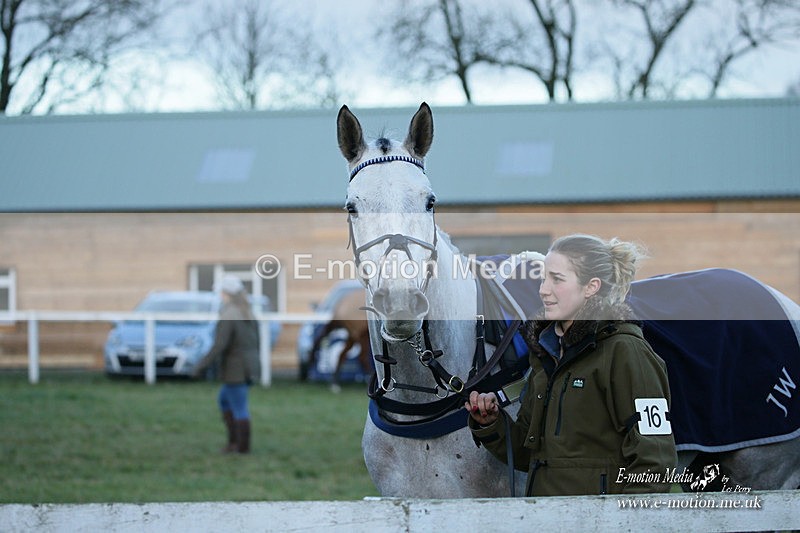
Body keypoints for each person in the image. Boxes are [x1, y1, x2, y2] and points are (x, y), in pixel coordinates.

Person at [466, 234, 677, 495]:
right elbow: (530, 456)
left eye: (557, 279)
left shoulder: (626, 350)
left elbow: (655, 461)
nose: (543, 289)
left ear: (591, 287)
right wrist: (491, 423)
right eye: (544, 278)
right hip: (546, 519)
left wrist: (624, 523)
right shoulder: (546, 357)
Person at [193, 275, 260, 454]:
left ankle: (242, 448)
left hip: (236, 369)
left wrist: (201, 366)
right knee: (225, 400)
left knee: (238, 407)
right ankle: (234, 443)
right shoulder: (247, 310)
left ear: (225, 293)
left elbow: (219, 345)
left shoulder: (229, 314)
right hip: (248, 366)